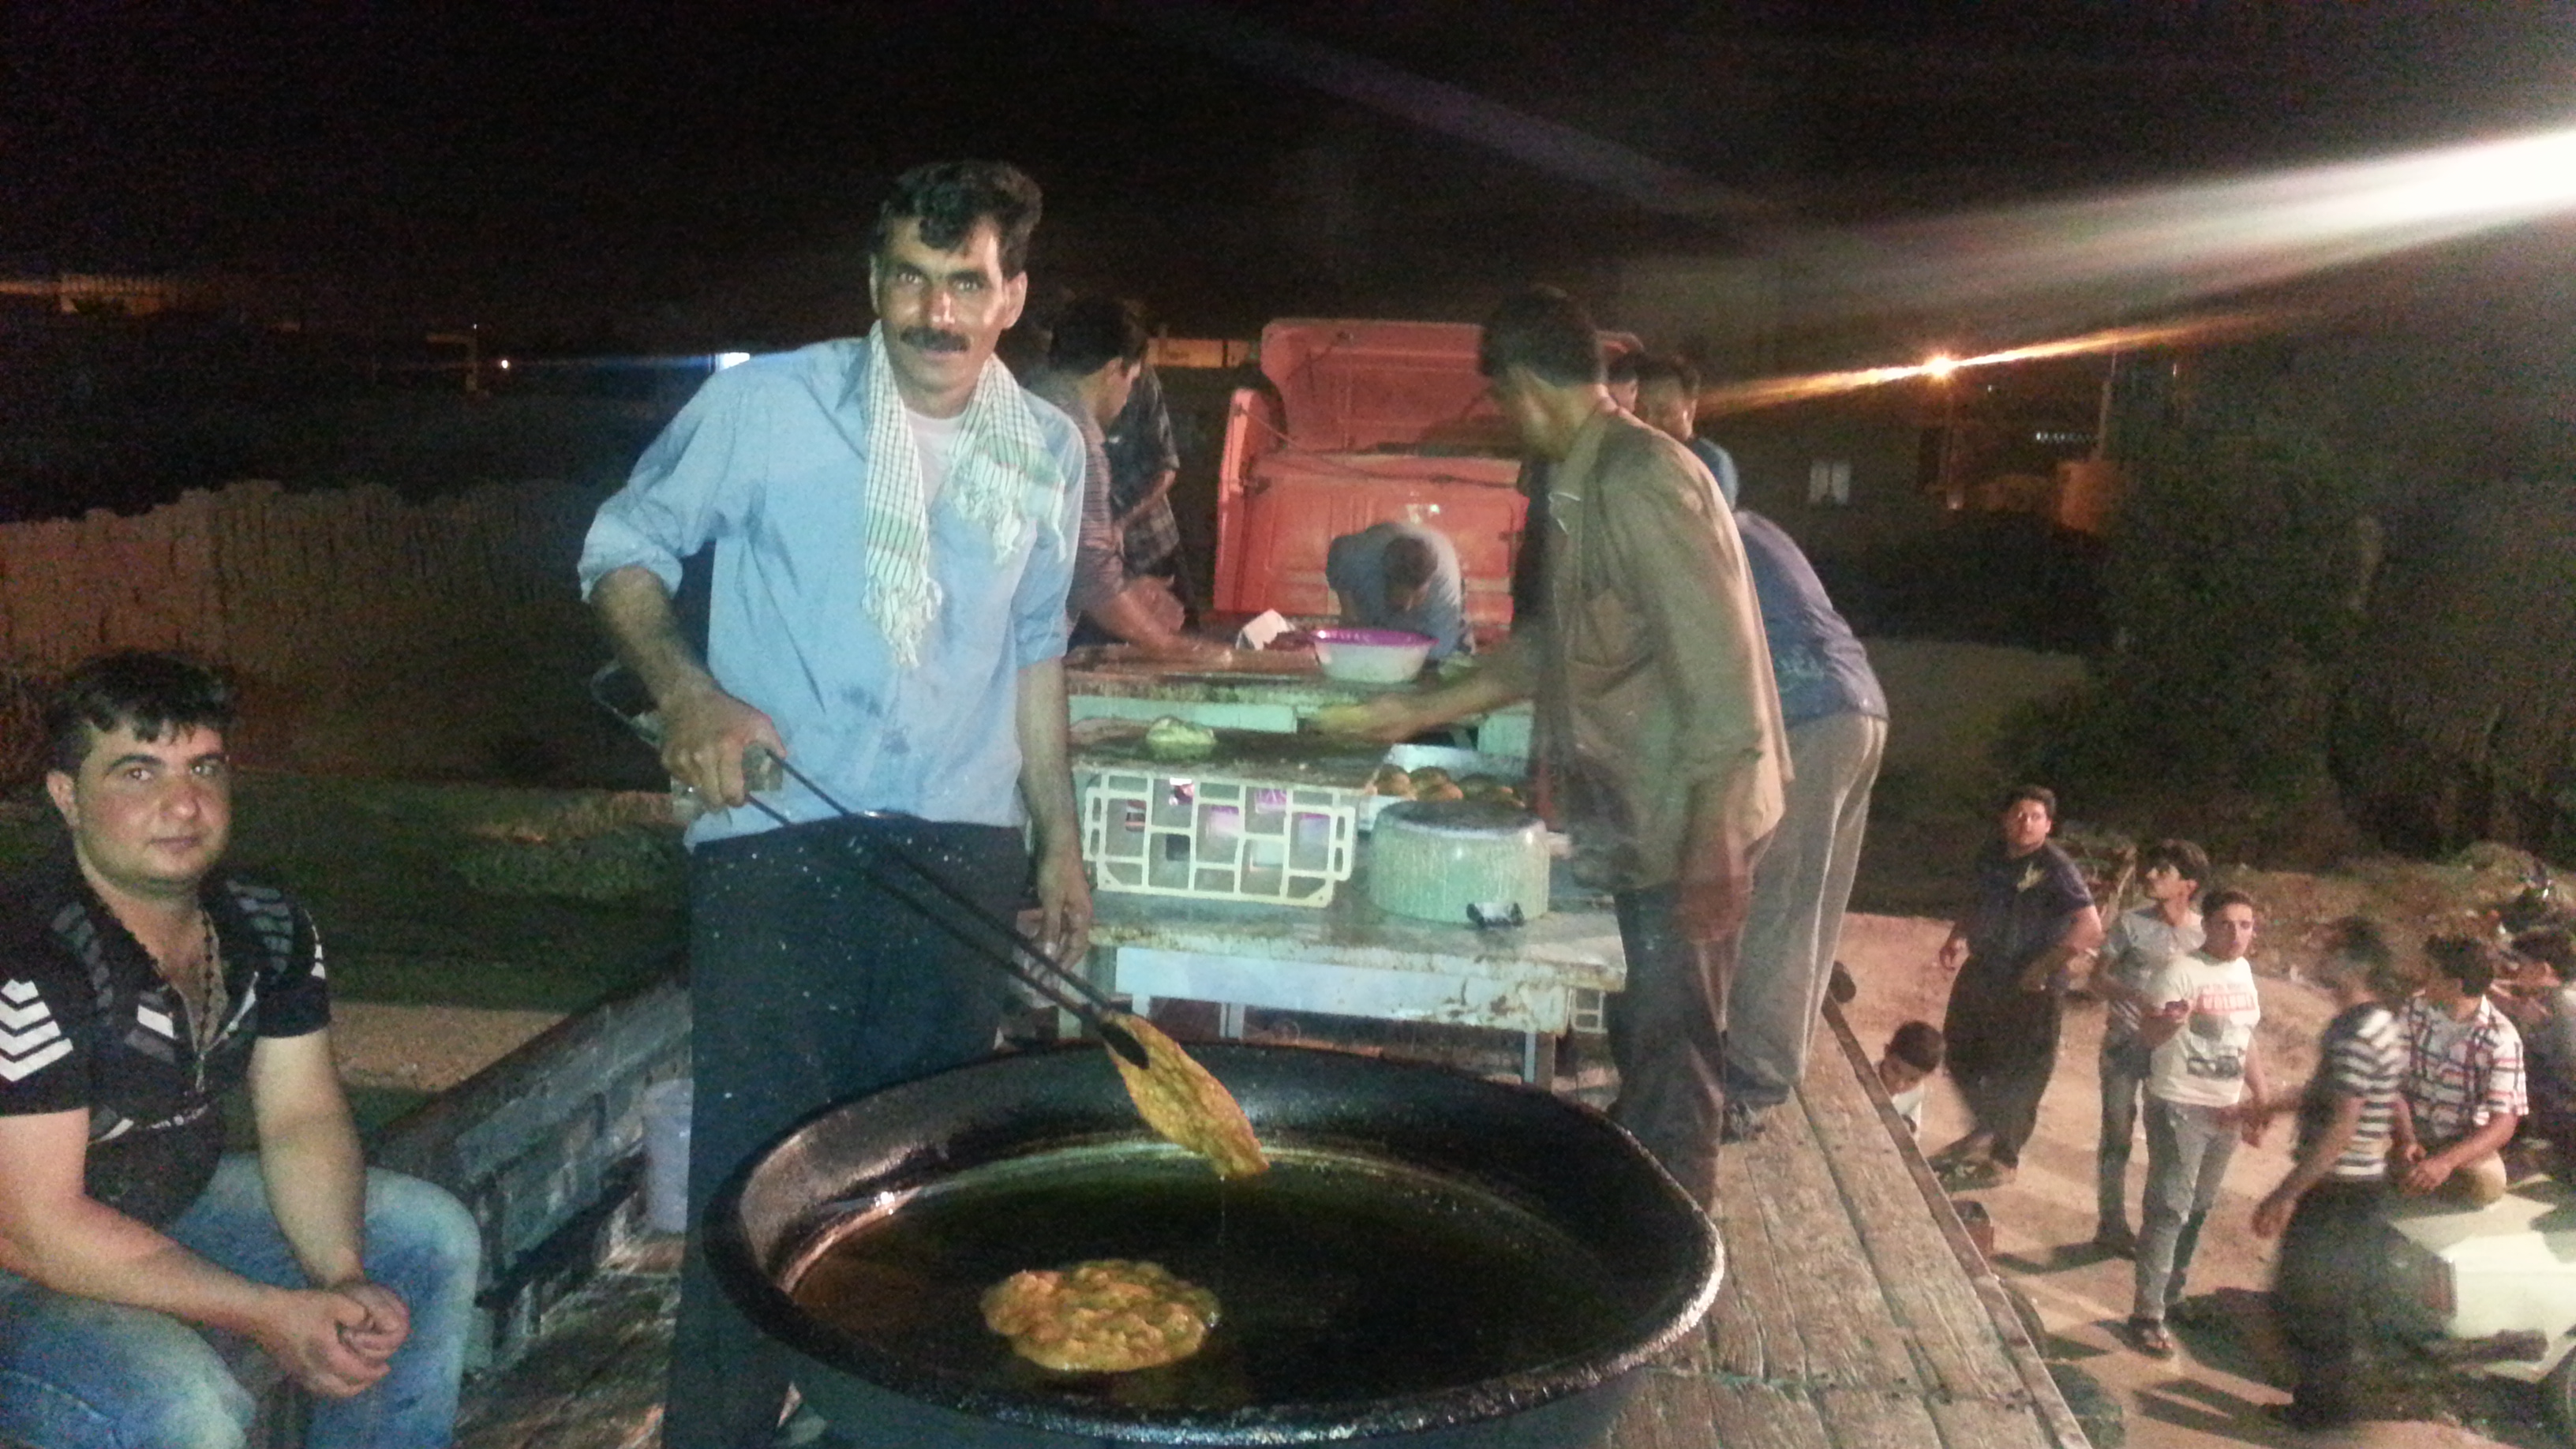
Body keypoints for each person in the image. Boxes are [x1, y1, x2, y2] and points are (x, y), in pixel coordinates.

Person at [578, 159, 1092, 1448]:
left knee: (920, 1177)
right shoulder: (766, 406)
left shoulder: (1046, 445)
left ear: (1010, 295)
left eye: (964, 283)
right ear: (873, 282)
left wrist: (1060, 839)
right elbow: (621, 550)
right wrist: (687, 694)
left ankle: (881, 1428)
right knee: (754, 1178)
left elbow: (1036, 649)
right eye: (909, 280)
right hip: (779, 838)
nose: (934, 314)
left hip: (961, 847)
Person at [1316, 286, 1788, 1209]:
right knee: (1645, 1035)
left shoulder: (1640, 480)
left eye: (1499, 399)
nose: (1502, 419)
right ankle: (1644, 1199)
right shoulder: (1582, 478)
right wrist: (1411, 713)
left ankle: (1677, 1238)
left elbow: (1722, 668)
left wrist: (1717, 843)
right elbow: (1551, 646)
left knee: (1676, 1051)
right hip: (1653, 808)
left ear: (1526, 386)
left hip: (1693, 810)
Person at [0, 652, 481, 1449]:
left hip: (154, 1206)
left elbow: (300, 1118)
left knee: (425, 1241)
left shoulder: (263, 923)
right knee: (183, 1400)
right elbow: (36, 1227)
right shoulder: (30, 960)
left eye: (204, 767)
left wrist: (340, 1277)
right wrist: (266, 1312)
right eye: (138, 773)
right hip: (19, 1267)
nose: (183, 803)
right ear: (67, 796)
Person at [1628, 363, 1885, 1142]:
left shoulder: (1707, 542)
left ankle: (1752, 1085)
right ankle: (1750, 1057)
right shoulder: (1755, 527)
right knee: (1800, 902)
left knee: (1776, 905)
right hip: (1851, 709)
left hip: (1811, 719)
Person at [2250, 916, 2406, 1432]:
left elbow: (2342, 1122)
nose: (2321, 958)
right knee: (2318, 1304)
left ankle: (2323, 1418)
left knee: (2309, 1304)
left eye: (2333, 951)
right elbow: (2330, 1093)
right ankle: (2319, 1410)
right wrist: (2268, 1105)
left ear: (2358, 965)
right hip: (2353, 1187)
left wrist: (2286, 1193)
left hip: (2340, 1188)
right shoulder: (2371, 1023)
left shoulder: (2357, 1033)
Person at [1930, 785, 2106, 1191]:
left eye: (2036, 817)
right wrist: (1957, 935)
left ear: (2049, 825)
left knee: (2021, 1071)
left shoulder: (2055, 867)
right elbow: (1977, 900)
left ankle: (2003, 1157)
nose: (2026, 823)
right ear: (2005, 819)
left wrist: (2044, 967)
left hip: (2032, 985)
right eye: (2019, 814)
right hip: (1986, 971)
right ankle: (1987, 1129)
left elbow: (2090, 926)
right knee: (1960, 1050)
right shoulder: (1992, 855)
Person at [1029, 296, 1222, 661]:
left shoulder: (1025, 403)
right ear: (1114, 369)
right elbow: (1092, 578)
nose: (1128, 395)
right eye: (1131, 382)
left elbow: (1053, 554)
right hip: (1023, 652)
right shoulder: (1073, 438)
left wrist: (1128, 587)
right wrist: (1173, 648)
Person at [2125, 887, 2268, 1359]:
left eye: (2245, 925)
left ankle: (2172, 1297)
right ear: (2206, 926)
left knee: (2200, 1206)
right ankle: (2146, 1314)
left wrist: (2260, 1098)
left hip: (2225, 1109)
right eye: (2226, 924)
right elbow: (2148, 1034)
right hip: (2180, 1104)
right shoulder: (2180, 971)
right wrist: (2171, 1022)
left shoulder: (2243, 972)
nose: (2237, 934)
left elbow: (2244, 1038)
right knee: (2170, 1207)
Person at [2090, 839, 2210, 1257]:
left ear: (2188, 885)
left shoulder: (2204, 933)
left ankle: (2157, 1232)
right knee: (2117, 1136)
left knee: (2168, 1143)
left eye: (2164, 871)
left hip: (2173, 1049)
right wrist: (2137, 997)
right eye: (2153, 868)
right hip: (2126, 1040)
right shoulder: (2131, 923)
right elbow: (2096, 978)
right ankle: (2111, 1224)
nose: (2151, 876)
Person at [2394, 934, 2527, 1208]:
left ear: (2454, 985)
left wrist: (2446, 1162)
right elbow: (2392, 1083)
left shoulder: (2501, 1039)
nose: (2423, 978)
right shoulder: (2414, 1010)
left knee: (2487, 1185)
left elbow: (2504, 1122)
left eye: (2431, 972)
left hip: (2460, 1141)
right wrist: (2406, 1138)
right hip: (2406, 1127)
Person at [1102, 328, 1186, 605]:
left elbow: (1167, 468)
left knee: (1176, 625)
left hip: (1153, 546)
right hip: (1100, 562)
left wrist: (1122, 523)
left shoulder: (1143, 381)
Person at [1323, 519, 1472, 658]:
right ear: (1385, 580)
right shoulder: (1355, 557)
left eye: (1417, 597)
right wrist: (1348, 609)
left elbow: (1439, 651)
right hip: (1375, 561)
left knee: (1445, 659)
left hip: (1437, 598)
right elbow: (1338, 554)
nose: (1407, 607)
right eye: (1401, 597)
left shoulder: (1443, 593)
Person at [1631, 354, 1741, 511]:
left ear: (1690, 409)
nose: (1649, 422)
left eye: (1663, 412)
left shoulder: (1712, 462)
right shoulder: (1632, 455)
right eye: (1641, 412)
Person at [1879, 1022, 1946, 1139]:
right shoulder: (1862, 1079)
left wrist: (1908, 1128)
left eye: (1913, 1079)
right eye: (1895, 1069)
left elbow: (1912, 1127)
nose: (1899, 1084)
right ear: (1886, 1052)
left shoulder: (1917, 1092)